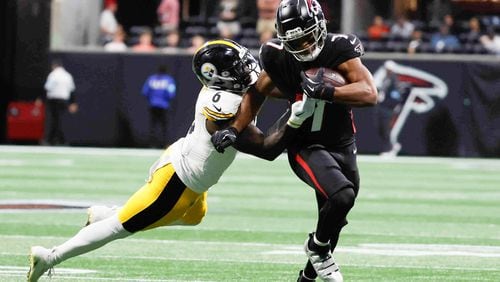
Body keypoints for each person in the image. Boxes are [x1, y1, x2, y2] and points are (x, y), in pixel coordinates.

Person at [27, 39, 317, 282]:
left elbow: (266, 86)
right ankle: (49, 256)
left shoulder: (230, 87)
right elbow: (267, 148)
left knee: (195, 216)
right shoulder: (222, 105)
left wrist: (308, 85)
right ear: (222, 76)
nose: (248, 68)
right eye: (239, 66)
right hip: (177, 182)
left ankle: (111, 213)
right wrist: (296, 118)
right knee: (120, 228)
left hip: (187, 168)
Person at [210, 1, 378, 281]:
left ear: (320, 27)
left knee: (334, 217)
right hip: (304, 142)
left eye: (307, 36)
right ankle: (316, 247)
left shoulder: (340, 49)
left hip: (342, 143)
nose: (303, 44)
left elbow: (370, 93)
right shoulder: (277, 55)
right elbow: (257, 91)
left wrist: (326, 91)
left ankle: (308, 276)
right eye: (295, 40)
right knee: (341, 195)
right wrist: (237, 128)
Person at [36, 59, 78, 146]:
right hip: (64, 100)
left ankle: (55, 140)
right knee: (57, 120)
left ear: (54, 66)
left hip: (54, 100)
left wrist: (40, 98)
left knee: (55, 120)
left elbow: (47, 88)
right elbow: (72, 91)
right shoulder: (67, 76)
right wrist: (73, 103)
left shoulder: (53, 75)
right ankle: (57, 140)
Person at [141, 65, 177, 148]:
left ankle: (152, 144)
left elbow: (145, 92)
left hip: (153, 105)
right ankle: (165, 144)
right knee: (164, 126)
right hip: (164, 106)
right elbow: (171, 93)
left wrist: (152, 99)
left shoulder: (151, 79)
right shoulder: (169, 80)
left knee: (153, 126)